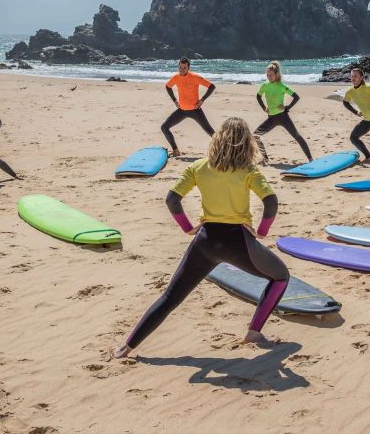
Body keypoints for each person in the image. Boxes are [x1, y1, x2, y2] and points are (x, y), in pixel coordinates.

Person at [114, 117, 289, 358]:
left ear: (218, 139)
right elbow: (270, 202)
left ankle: (128, 346)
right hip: (239, 242)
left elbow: (172, 199)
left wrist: (187, 228)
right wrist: (261, 231)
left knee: (170, 296)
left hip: (205, 242)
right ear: (247, 143)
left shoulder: (198, 167)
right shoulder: (249, 171)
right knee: (280, 277)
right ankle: (254, 332)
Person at [254, 61, 313, 164]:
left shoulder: (281, 86)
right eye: (267, 75)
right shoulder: (264, 85)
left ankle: (311, 159)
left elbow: (296, 97)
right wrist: (264, 107)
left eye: (271, 75)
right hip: (271, 118)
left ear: (276, 74)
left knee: (297, 136)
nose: (269, 77)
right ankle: (266, 159)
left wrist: (287, 108)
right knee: (255, 135)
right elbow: (258, 96)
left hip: (283, 117)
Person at [161, 57, 216, 157]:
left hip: (195, 111)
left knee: (211, 133)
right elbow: (168, 86)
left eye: (184, 68)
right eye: (180, 68)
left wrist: (202, 100)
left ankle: (224, 151)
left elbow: (212, 86)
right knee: (164, 127)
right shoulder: (176, 77)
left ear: (188, 68)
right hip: (181, 111)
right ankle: (175, 150)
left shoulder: (195, 77)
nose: (182, 70)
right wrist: (174, 100)